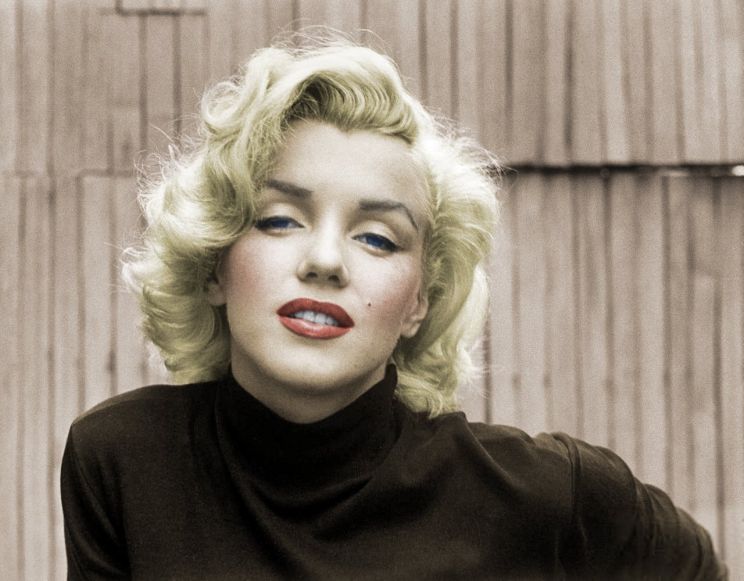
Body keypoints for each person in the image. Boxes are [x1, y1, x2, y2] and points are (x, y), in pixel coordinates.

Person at [61, 35, 726, 580]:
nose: (326, 260)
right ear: (214, 264)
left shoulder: (546, 493)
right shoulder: (122, 459)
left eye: (377, 237)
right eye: (280, 220)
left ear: (418, 303)